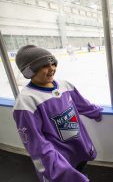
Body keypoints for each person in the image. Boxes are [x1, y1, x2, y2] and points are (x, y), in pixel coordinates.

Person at [13, 45, 103, 181]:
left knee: (81, 171)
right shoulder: (26, 102)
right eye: (44, 66)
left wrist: (96, 112)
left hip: (79, 150)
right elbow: (37, 145)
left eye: (53, 63)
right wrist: (58, 170)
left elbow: (82, 105)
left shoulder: (64, 85)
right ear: (30, 71)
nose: (52, 69)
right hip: (58, 163)